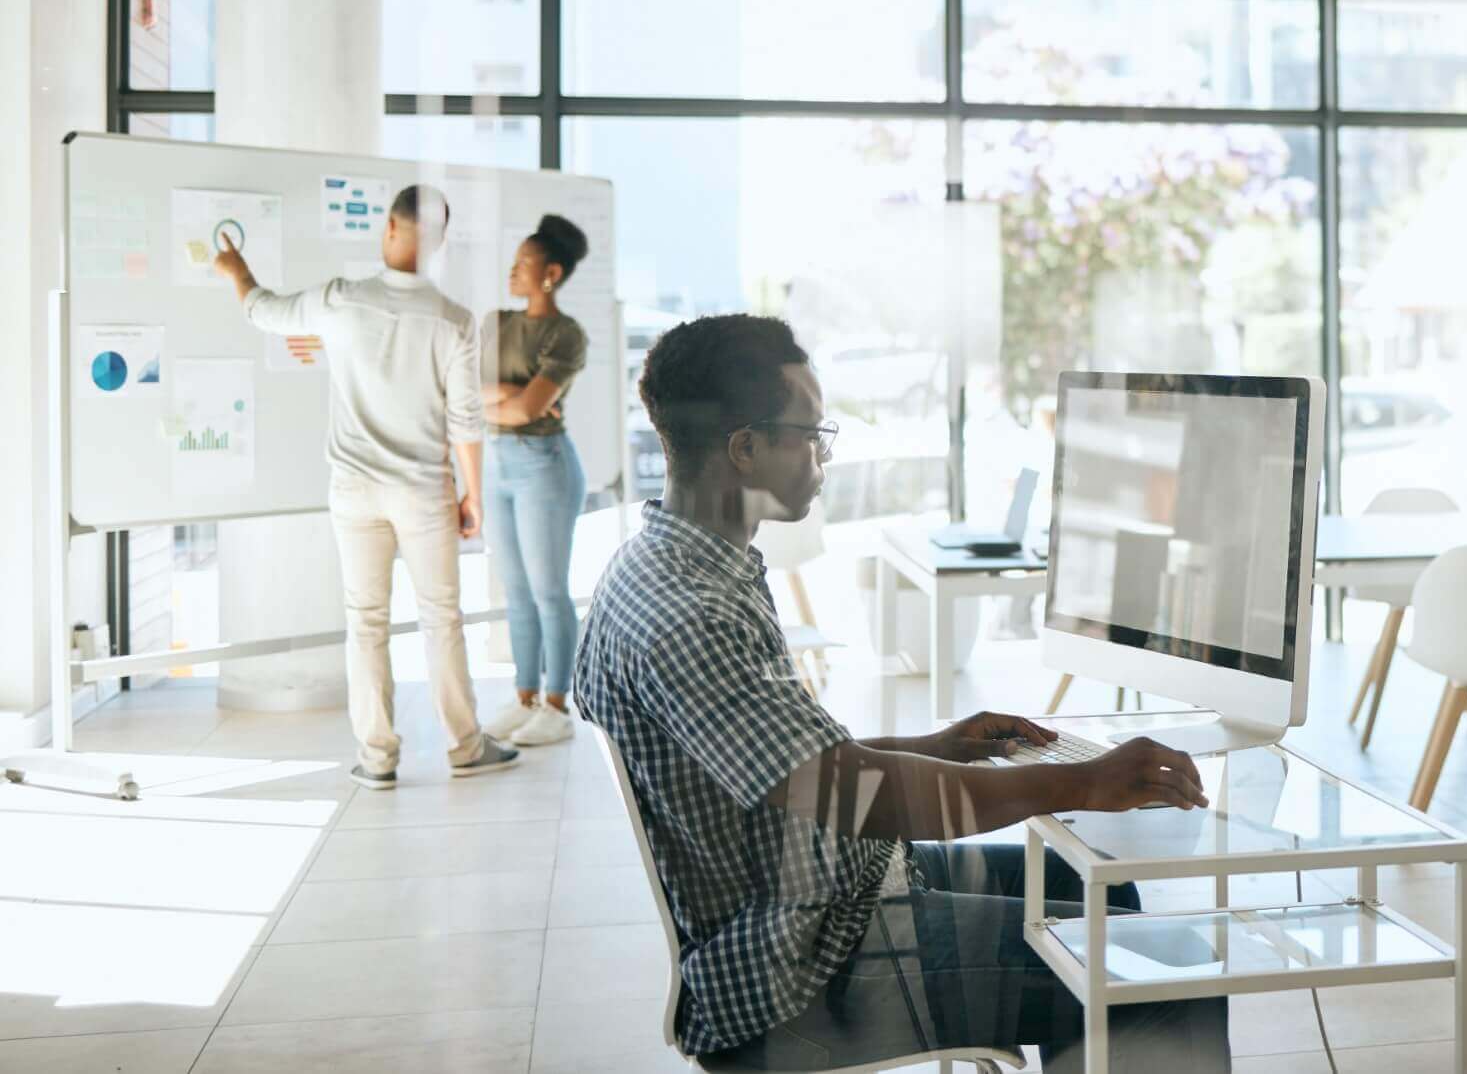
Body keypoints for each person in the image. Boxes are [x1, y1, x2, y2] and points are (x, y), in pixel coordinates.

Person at [572, 314, 1228, 1071]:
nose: (824, 455)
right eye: (812, 433)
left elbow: (798, 769)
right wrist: (1085, 780)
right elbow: (864, 797)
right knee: (1162, 976)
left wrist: (937, 747)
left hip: (824, 900)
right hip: (804, 974)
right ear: (745, 447)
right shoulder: (689, 614)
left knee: (1108, 903)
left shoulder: (674, 562)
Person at [213, 185, 520, 790]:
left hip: (353, 490)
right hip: (423, 489)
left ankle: (378, 759)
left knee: (366, 621)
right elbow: (465, 419)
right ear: (436, 244)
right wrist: (473, 495)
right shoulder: (453, 320)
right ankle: (463, 744)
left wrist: (237, 269)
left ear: (389, 228)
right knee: (441, 619)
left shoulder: (339, 301)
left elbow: (262, 310)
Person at [479, 215, 591, 748]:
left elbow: (531, 407)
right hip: (496, 462)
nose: (513, 271)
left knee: (549, 591)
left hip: (545, 463)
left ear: (550, 273)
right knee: (516, 591)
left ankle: (555, 704)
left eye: (523, 264)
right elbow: (463, 392)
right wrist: (508, 398)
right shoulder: (495, 322)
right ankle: (523, 697)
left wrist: (507, 398)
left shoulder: (565, 334)